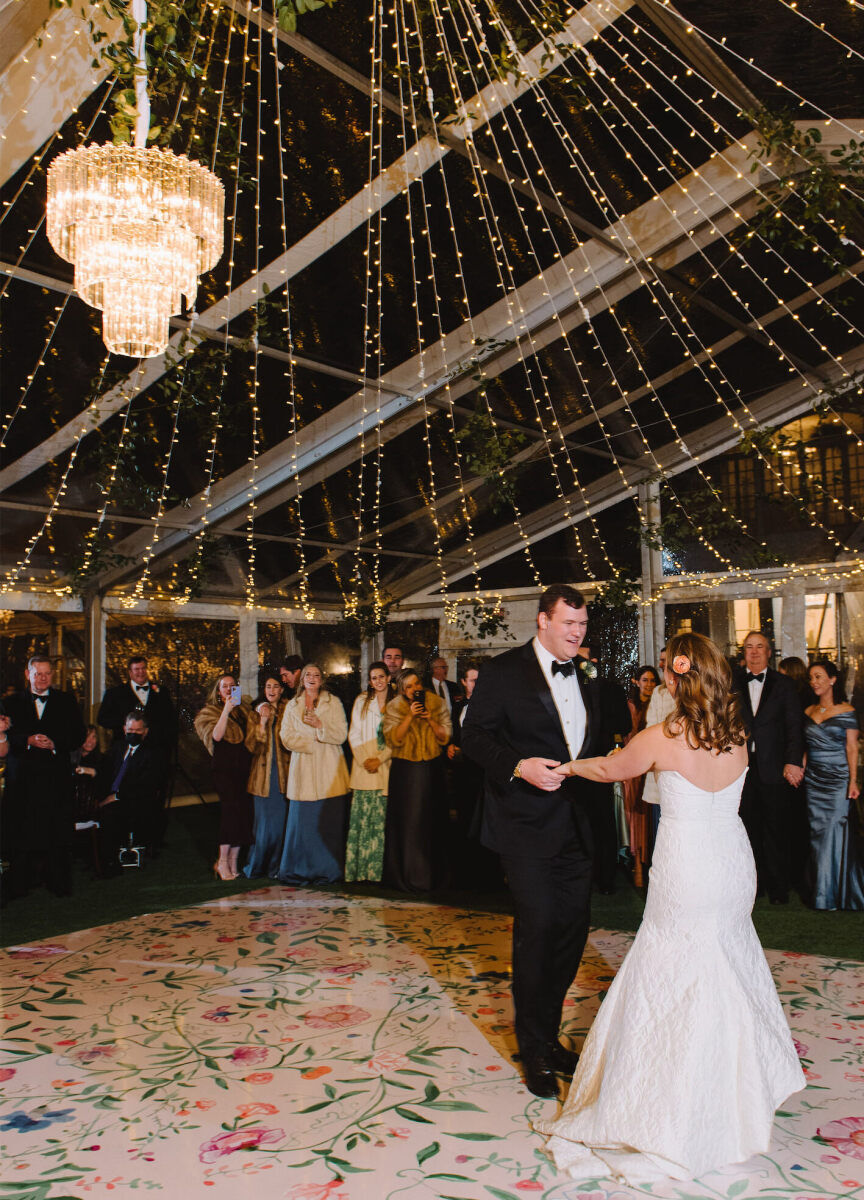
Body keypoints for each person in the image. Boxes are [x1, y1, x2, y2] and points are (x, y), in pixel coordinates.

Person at [537, 633, 805, 1186]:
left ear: (682, 677)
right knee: (725, 962)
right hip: (732, 862)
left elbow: (613, 770)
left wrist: (568, 766)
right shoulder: (737, 735)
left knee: (673, 966)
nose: (662, 678)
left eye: (668, 670)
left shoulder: (664, 734)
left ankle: (671, 1104)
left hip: (688, 865)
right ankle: (729, 1098)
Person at [461, 584, 603, 1098]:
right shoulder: (502, 672)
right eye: (568, 624)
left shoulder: (587, 672)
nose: (577, 633)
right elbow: (473, 737)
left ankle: (547, 1035)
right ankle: (534, 1049)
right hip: (524, 827)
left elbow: (591, 740)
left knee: (571, 932)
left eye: (582, 625)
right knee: (538, 930)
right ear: (543, 620)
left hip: (577, 826)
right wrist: (518, 766)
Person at [2, 655, 86, 898]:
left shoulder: (67, 701)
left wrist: (55, 743)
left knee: (57, 831)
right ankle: (20, 884)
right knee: (22, 831)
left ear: (53, 675)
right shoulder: (9, 702)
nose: (43, 678)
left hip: (55, 779)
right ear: (27, 674)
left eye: (47, 673)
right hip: (23, 780)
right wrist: (26, 740)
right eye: (38, 673)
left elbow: (78, 735)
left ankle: (58, 883)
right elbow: (5, 738)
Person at [734, 630, 804, 905]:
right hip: (740, 769)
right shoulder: (732, 682)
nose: (753, 652)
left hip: (773, 767)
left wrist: (793, 760)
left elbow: (794, 727)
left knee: (776, 829)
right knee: (746, 829)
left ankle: (778, 887)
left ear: (768, 652)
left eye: (759, 647)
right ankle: (753, 885)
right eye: (749, 647)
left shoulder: (784, 684)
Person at [278, 663, 350, 884]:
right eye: (308, 674)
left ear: (322, 680)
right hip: (303, 772)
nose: (312, 678)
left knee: (327, 823)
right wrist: (310, 742)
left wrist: (320, 727)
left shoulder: (333, 702)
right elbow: (285, 737)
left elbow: (341, 734)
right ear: (302, 680)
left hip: (330, 771)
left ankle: (330, 870)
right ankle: (300, 869)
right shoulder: (292, 705)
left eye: (316, 675)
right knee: (303, 824)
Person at [382, 667, 451, 893]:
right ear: (402, 689)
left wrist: (429, 718)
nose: (414, 690)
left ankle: (434, 878)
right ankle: (407, 876)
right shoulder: (393, 707)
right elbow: (393, 739)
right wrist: (410, 716)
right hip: (405, 771)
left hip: (432, 768)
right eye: (409, 686)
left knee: (431, 820)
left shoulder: (437, 702)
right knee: (409, 823)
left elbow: (445, 737)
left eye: (417, 684)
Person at [801, 659, 862, 910]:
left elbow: (852, 748)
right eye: (811, 678)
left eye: (818, 677)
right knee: (818, 836)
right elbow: (805, 746)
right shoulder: (808, 712)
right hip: (813, 782)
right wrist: (801, 767)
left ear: (832, 680)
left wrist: (853, 780)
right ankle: (823, 892)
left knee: (834, 832)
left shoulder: (847, 711)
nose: (814, 682)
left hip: (838, 780)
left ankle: (834, 895)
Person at [98, 656, 176, 851]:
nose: (140, 672)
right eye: (136, 669)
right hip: (127, 752)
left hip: (155, 752)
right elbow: (103, 719)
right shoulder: (115, 693)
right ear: (129, 672)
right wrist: (128, 727)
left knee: (155, 794)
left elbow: (171, 720)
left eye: (143, 669)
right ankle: (124, 837)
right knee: (127, 791)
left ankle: (152, 839)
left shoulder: (161, 692)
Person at [576, 647, 630, 894]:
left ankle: (605, 878)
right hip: (572, 768)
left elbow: (624, 725)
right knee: (576, 824)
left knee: (603, 823)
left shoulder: (611, 689)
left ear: (594, 661)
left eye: (582, 659)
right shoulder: (566, 688)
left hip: (600, 765)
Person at [194, 674, 254, 881]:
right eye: (224, 686)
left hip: (244, 768)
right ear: (218, 691)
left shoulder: (245, 710)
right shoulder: (208, 712)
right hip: (225, 770)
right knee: (230, 812)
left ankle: (233, 861)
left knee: (243, 813)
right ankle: (221, 861)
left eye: (232, 686)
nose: (229, 689)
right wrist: (226, 710)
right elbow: (216, 736)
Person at [95, 711, 166, 871]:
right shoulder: (118, 747)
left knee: (110, 813)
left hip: (135, 801)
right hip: (111, 796)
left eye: (137, 731)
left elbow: (147, 785)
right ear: (124, 729)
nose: (133, 734)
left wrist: (116, 796)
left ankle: (109, 862)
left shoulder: (153, 754)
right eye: (130, 730)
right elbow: (105, 772)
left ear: (145, 731)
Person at [345, 661, 393, 882]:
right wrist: (366, 760)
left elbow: (398, 737)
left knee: (382, 822)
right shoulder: (362, 701)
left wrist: (380, 759)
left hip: (386, 766)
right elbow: (353, 733)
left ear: (389, 678)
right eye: (374, 678)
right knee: (363, 821)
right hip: (364, 766)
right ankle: (360, 871)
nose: (378, 681)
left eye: (381, 676)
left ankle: (380, 873)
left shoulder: (397, 702)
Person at [243, 672, 290, 880]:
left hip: (283, 777)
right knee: (262, 827)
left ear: (281, 690)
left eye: (275, 687)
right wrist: (262, 723)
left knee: (281, 826)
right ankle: (256, 866)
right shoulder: (255, 713)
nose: (272, 691)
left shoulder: (289, 709)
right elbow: (251, 746)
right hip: (262, 778)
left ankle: (277, 867)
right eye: (268, 687)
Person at [624, 665, 661, 886]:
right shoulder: (629, 707)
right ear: (636, 682)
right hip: (634, 769)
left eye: (652, 681)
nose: (649, 685)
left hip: (653, 769)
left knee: (652, 819)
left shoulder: (660, 704)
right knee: (636, 819)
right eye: (645, 680)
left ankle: (653, 867)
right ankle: (637, 867)